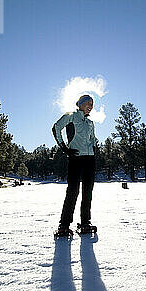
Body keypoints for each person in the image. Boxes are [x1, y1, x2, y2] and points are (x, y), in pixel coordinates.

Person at [52, 94, 97, 238]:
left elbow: (93, 138)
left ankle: (85, 222)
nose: (91, 106)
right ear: (81, 104)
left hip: (89, 160)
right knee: (72, 192)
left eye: (92, 104)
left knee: (87, 192)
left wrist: (95, 147)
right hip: (75, 158)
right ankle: (64, 225)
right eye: (88, 103)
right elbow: (56, 128)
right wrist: (64, 148)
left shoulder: (90, 123)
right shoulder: (71, 116)